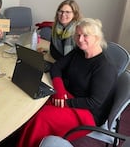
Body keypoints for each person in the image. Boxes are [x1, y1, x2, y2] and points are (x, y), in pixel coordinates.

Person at [17, 18, 117, 147]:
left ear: (97, 38)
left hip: (88, 113)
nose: (80, 40)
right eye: (78, 35)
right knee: (35, 103)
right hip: (70, 96)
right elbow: (56, 67)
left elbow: (94, 102)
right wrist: (60, 90)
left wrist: (66, 102)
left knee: (42, 117)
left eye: (85, 35)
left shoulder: (105, 67)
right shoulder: (79, 51)